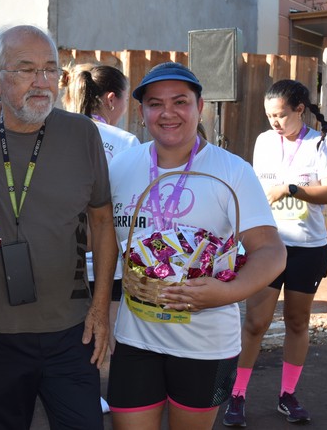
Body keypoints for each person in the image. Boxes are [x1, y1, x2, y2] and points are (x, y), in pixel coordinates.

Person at [0, 24, 118, 430]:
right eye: (25, 70)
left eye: (50, 69)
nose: (42, 83)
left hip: (73, 330)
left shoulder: (82, 133)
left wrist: (101, 308)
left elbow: (103, 220)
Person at [106, 62, 286, 430]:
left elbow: (271, 251)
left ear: (199, 106)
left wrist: (228, 292)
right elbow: (105, 242)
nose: (167, 112)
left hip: (205, 345)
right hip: (136, 339)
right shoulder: (121, 167)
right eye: (155, 103)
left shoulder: (232, 170)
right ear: (141, 112)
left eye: (180, 102)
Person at [223, 79, 327, 427]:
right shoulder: (263, 142)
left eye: (280, 115)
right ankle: (237, 395)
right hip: (266, 247)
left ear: (300, 110)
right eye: (269, 116)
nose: (274, 123)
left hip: (309, 249)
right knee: (256, 322)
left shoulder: (322, 142)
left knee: (296, 321)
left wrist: (291, 189)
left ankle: (287, 396)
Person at [64, 63, 140, 412]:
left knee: (70, 328)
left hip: (65, 251)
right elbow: (129, 202)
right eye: (125, 99)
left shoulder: (59, 129)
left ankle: (78, 392)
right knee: (105, 326)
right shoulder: (126, 142)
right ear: (111, 99)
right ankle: (97, 393)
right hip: (109, 255)